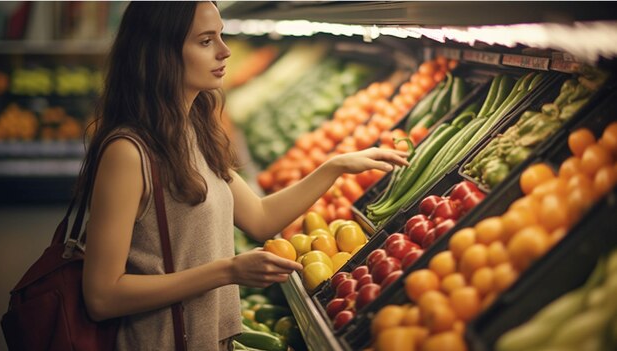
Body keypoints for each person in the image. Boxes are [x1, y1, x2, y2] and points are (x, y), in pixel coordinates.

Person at [78, 2, 410, 350]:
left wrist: (335, 167)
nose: (225, 51)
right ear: (161, 53)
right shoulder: (129, 153)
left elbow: (260, 218)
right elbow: (102, 297)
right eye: (206, 41)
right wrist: (228, 271)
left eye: (220, 36)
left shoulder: (193, 133)